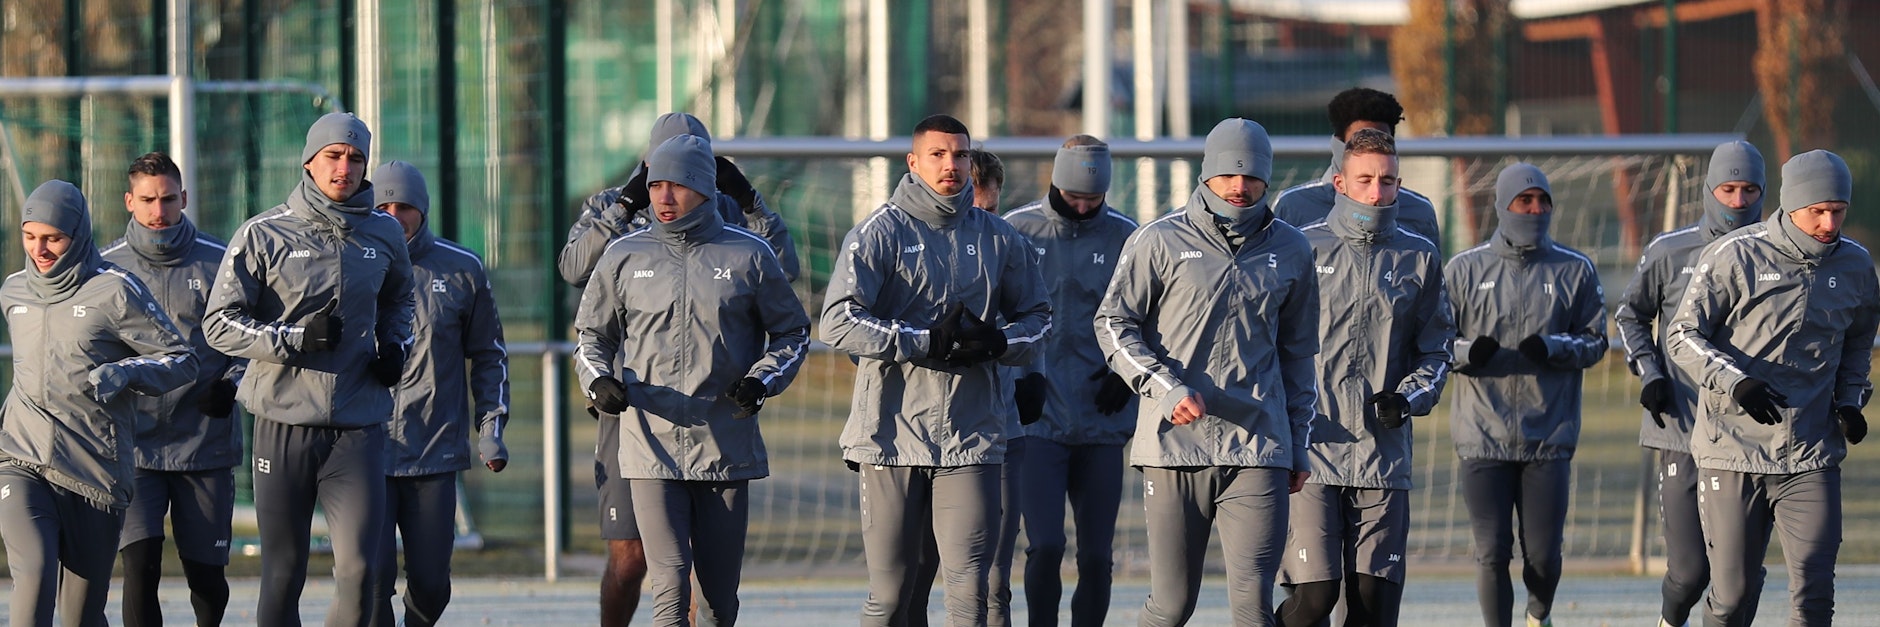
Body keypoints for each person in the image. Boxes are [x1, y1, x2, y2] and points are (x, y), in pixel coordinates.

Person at [557, 112, 799, 625]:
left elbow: (781, 275)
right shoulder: (613, 211)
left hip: (717, 423)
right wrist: (625, 203)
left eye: (686, 175)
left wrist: (753, 202)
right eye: (657, 176)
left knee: (711, 592)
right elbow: (576, 270)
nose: (666, 192)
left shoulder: (733, 217)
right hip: (632, 412)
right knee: (634, 560)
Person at [821, 113, 1052, 626]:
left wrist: (998, 341)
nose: (951, 165)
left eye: (961, 154)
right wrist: (920, 341)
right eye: (938, 155)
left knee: (970, 591)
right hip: (889, 437)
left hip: (973, 436)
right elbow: (836, 321)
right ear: (914, 162)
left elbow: (1039, 318)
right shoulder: (878, 233)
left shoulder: (998, 238)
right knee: (892, 595)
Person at [1095, 117, 1319, 627]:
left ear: (1268, 178)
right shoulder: (1158, 240)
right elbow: (1112, 323)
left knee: (1253, 604)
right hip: (1174, 445)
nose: (1240, 187)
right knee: (1173, 605)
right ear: (1206, 175)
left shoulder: (1293, 249)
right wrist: (1163, 387)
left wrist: (1298, 442)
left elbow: (1299, 357)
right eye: (1228, 175)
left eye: (1252, 177)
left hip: (1260, 444)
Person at [204, 111, 416, 627]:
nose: (344, 167)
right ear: (309, 161)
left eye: (355, 158)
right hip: (283, 423)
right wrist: (292, 339)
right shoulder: (263, 232)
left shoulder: (384, 232)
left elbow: (401, 301)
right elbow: (219, 324)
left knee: (364, 569)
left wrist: (395, 347)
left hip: (358, 424)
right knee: (285, 568)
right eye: (333, 156)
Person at [1667, 149, 1877, 627]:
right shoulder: (1735, 254)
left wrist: (1850, 399)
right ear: (1791, 204)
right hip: (1732, 450)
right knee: (1732, 597)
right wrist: (1736, 384)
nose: (1828, 222)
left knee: (1815, 593)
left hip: (1811, 452)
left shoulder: (1856, 266)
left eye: (1837, 211)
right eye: (1817, 211)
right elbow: (1681, 335)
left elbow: (1861, 337)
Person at [1276, 129, 1453, 627]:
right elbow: (1273, 347)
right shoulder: (1300, 250)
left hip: (1384, 458)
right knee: (1314, 599)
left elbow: (1438, 350)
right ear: (1340, 182)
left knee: (1373, 611)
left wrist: (1409, 396)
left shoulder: (1419, 257)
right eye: (1366, 179)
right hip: (1310, 455)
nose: (1378, 192)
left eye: (1388, 180)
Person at [0, 179, 196, 627]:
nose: (40, 250)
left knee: (80, 617)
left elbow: (182, 361)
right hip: (20, 457)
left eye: (53, 238)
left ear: (78, 233)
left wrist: (128, 372)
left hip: (94, 471)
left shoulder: (114, 289)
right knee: (34, 572)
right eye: (30, 237)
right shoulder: (13, 291)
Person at [1444, 163, 1607, 627]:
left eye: (1543, 202)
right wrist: (1468, 351)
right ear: (1503, 207)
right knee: (1492, 550)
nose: (1535, 210)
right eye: (1524, 201)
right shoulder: (1465, 269)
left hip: (1548, 435)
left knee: (1543, 556)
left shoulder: (1575, 270)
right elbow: (1434, 342)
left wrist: (1554, 348)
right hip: (1481, 434)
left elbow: (1596, 341)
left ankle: (1539, 615)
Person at [1613, 141, 1765, 627]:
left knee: (1738, 576)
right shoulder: (1669, 250)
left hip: (1749, 439)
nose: (1737, 201)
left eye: (1749, 190)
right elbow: (1630, 315)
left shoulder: (1776, 253)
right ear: (1708, 190)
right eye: (1728, 189)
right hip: (1681, 431)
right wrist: (1651, 373)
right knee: (1689, 572)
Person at [100, 152, 243, 627]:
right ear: (129, 202)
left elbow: (250, 339)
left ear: (184, 197)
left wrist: (232, 385)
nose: (158, 210)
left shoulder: (221, 260)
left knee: (206, 577)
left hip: (204, 443)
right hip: (132, 447)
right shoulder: (104, 270)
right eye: (147, 200)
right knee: (139, 568)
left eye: (167, 199)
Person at [368, 161, 511, 627]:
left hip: (434, 451)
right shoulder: (351, 262)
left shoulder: (462, 268)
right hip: (362, 452)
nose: (393, 215)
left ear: (422, 210)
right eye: (382, 206)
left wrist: (490, 426)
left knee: (430, 585)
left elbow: (489, 354)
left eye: (403, 206)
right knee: (369, 581)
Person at [1004, 136, 1139, 627]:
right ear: (1054, 181)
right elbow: (995, 317)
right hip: (1036, 422)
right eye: (1073, 195)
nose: (1082, 206)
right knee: (1044, 543)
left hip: (1103, 421)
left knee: (1098, 556)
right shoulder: (1016, 231)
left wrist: (1128, 375)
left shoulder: (1129, 238)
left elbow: (1150, 317)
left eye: (1093, 198)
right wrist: (1016, 375)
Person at [905, 146, 1029, 627]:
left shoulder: (1007, 246)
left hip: (996, 430)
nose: (980, 217)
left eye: (991, 208)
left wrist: (1028, 373)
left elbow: (1036, 322)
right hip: (917, 436)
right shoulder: (907, 245)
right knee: (913, 575)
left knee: (991, 578)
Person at [1272, 87, 1441, 244]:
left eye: (1381, 141)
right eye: (1360, 142)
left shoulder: (1418, 210)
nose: (1371, 151)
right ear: (1339, 144)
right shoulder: (1294, 205)